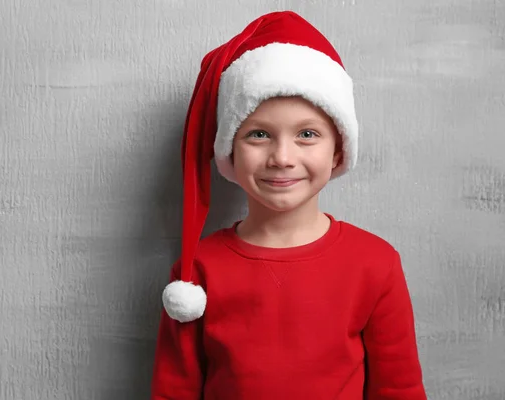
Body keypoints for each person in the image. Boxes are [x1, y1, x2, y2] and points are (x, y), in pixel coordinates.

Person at [150, 10, 426, 399]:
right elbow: (173, 391)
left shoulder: (376, 264)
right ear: (229, 148)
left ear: (337, 151)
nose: (282, 157)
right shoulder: (195, 273)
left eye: (307, 134)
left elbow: (399, 390)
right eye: (259, 134)